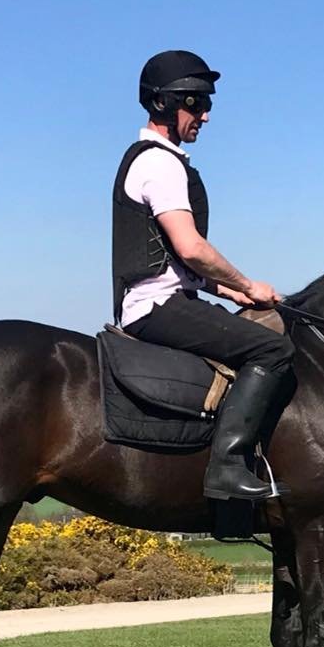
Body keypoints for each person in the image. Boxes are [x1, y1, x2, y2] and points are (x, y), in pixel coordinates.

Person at [112, 50, 295, 501]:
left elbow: (178, 262)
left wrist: (231, 294)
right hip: (155, 308)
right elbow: (191, 248)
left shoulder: (163, 160)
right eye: (195, 102)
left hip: (167, 298)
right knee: (273, 350)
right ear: (162, 105)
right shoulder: (158, 163)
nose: (205, 115)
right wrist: (246, 284)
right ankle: (227, 466)